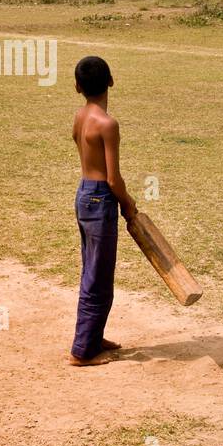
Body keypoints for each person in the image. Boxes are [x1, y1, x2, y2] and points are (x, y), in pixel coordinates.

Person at [68, 55, 137, 367]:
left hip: (83, 195)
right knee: (98, 277)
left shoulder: (80, 117)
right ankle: (83, 351)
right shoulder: (108, 124)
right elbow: (112, 178)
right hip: (100, 199)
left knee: (91, 271)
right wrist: (128, 203)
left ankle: (93, 337)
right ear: (111, 81)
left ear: (77, 86)